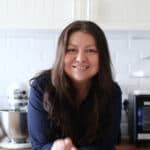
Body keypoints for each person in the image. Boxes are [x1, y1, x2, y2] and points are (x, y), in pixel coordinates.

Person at [28, 20, 122, 150]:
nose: (80, 58)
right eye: (72, 49)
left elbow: (107, 145)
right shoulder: (41, 87)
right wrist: (54, 148)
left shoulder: (112, 92)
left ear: (102, 56)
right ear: (61, 54)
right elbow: (38, 146)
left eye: (90, 50)